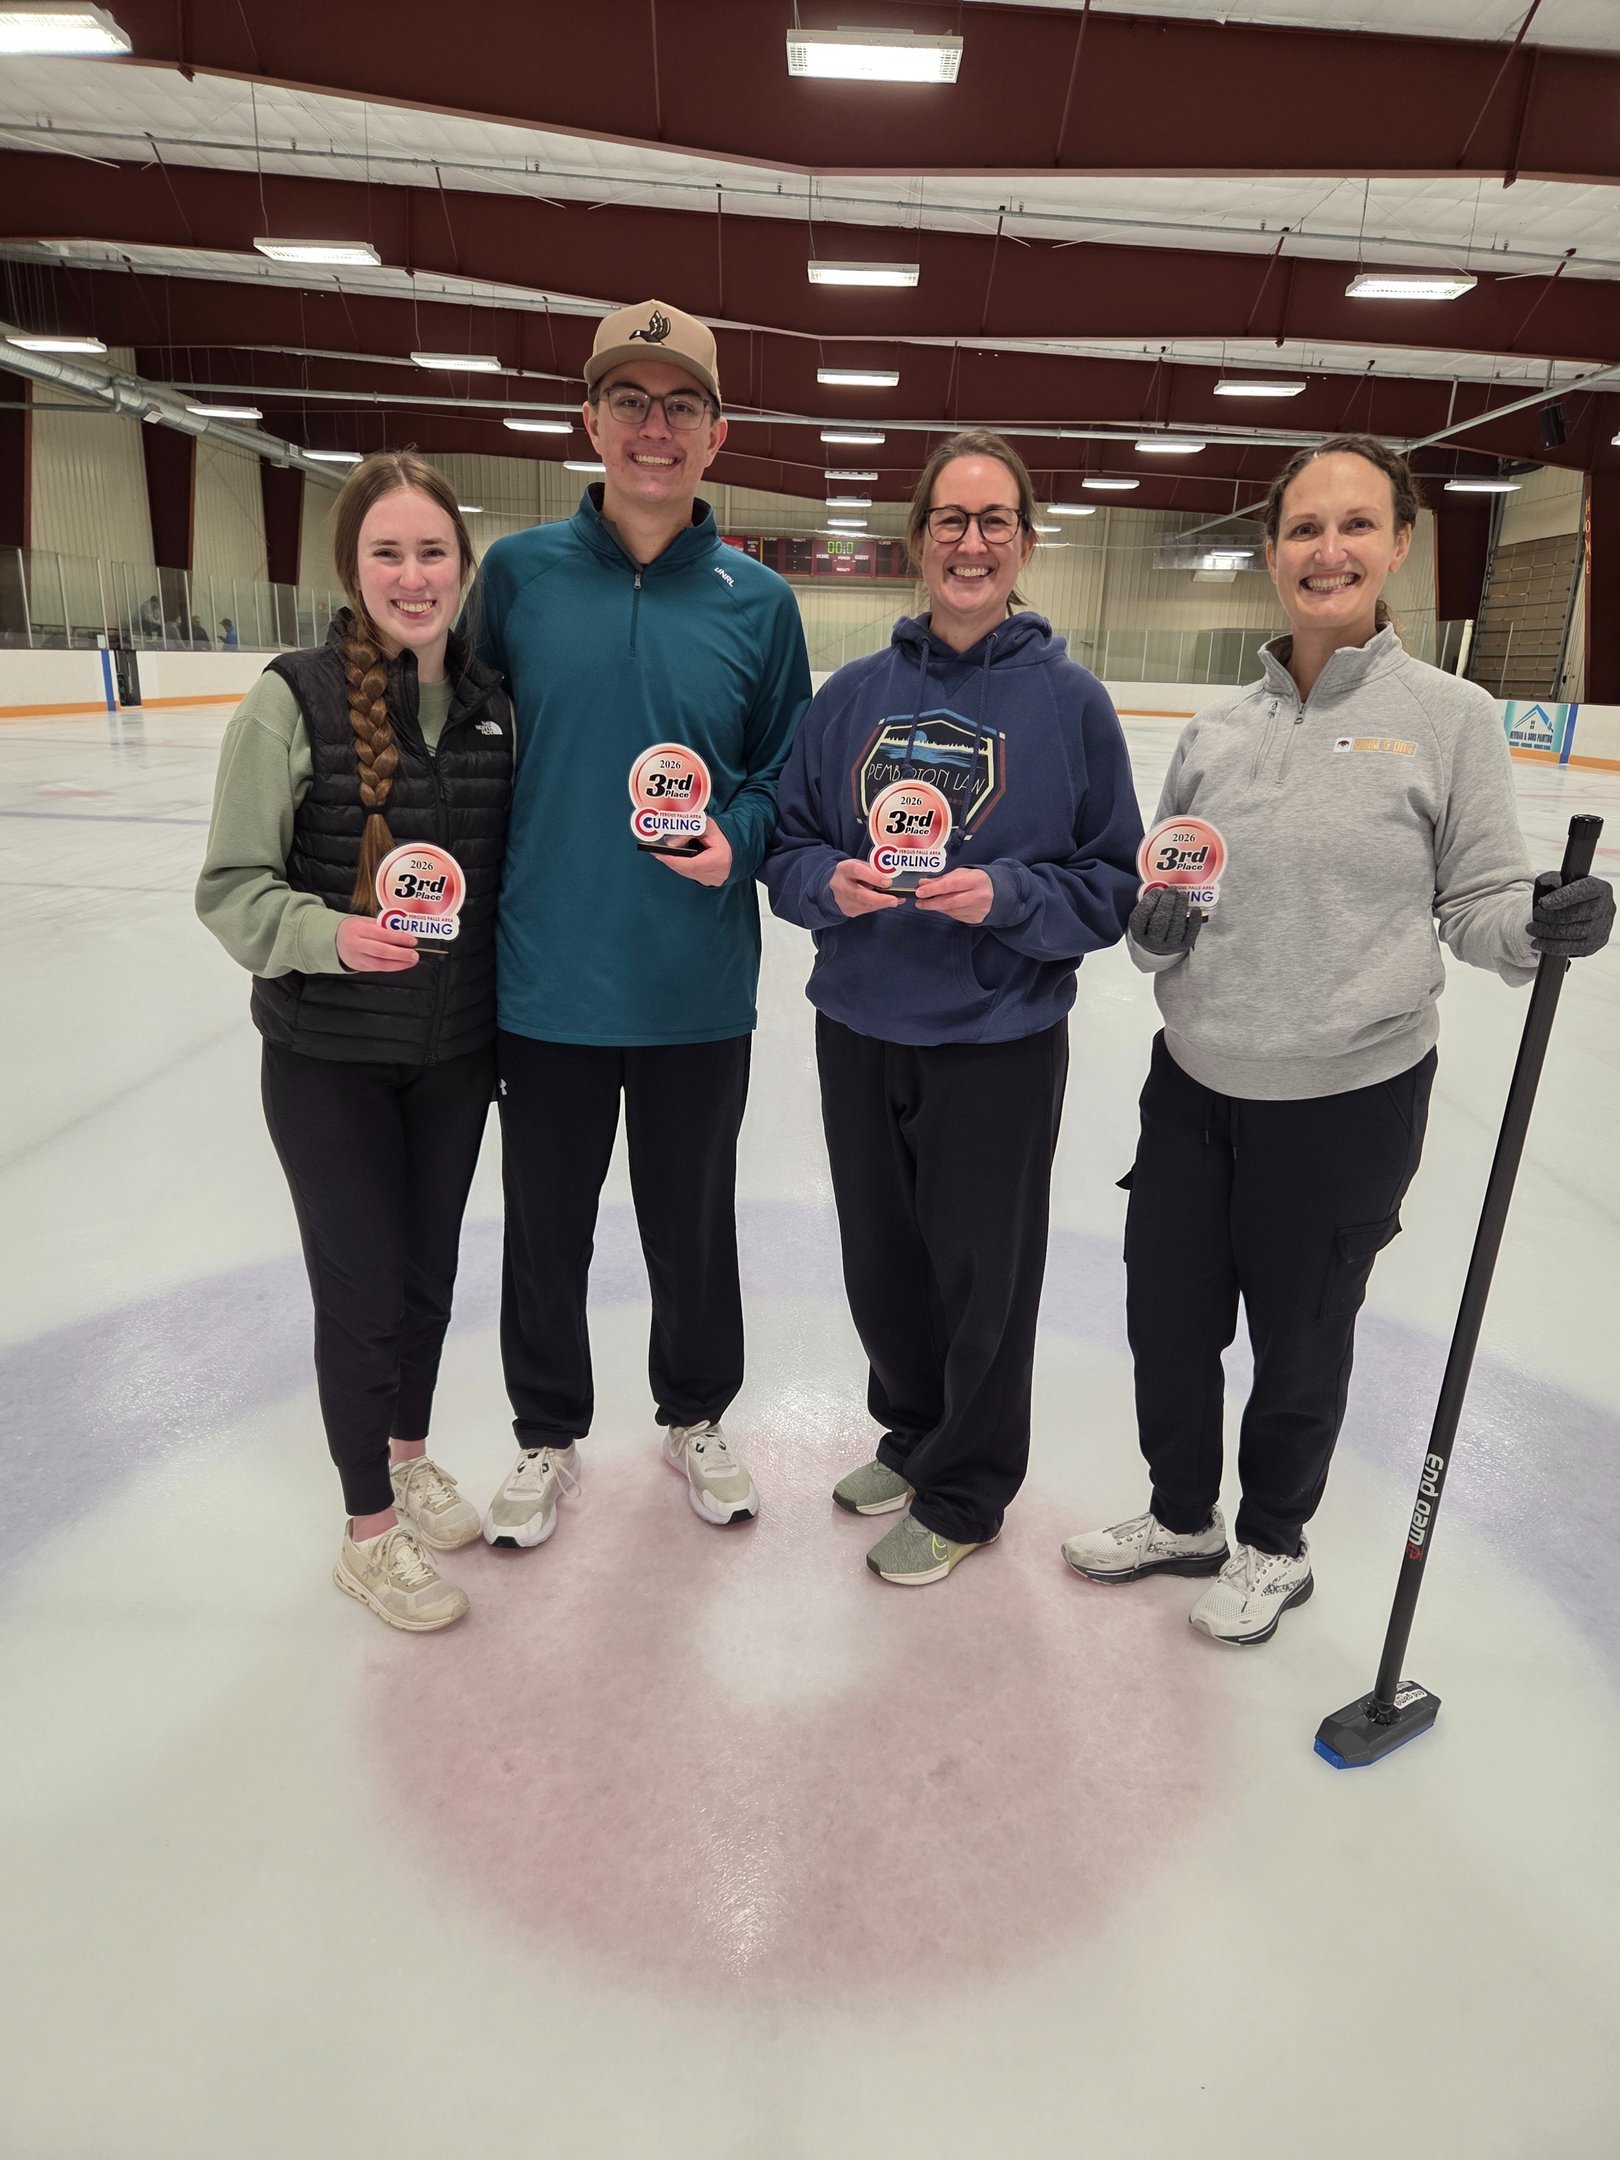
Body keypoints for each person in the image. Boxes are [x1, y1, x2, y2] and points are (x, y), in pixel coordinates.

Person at [1061, 433, 1616, 1644]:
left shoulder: (1449, 717)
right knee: (1167, 1319)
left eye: (1357, 524)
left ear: (1400, 545)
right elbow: (1164, 916)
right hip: (1194, 1082)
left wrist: (1539, 923)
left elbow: (1478, 903)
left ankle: (1273, 1543)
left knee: (1301, 1337)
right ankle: (1182, 1516)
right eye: (1305, 528)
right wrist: (1151, 930)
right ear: (1272, 552)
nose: (1329, 550)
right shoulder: (1215, 732)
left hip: (1348, 1097)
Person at [765, 429, 1142, 1584]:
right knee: (883, 1262)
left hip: (996, 1040)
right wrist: (826, 883)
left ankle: (969, 1490)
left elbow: (1112, 885)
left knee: (985, 1278)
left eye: (994, 521)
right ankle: (915, 1436)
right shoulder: (852, 697)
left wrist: (1010, 896)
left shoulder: (1071, 704)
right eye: (949, 520)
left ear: (1024, 543)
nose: (970, 542)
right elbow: (789, 847)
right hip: (860, 1025)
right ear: (917, 540)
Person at [472, 299, 810, 1549]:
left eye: (680, 407)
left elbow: (783, 777)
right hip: (543, 978)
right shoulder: (516, 577)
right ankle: (545, 1432)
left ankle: (697, 1414)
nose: (652, 428)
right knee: (544, 1229)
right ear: (590, 421)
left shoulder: (758, 601)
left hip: (692, 986)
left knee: (692, 1223)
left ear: (717, 436)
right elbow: (466, 751)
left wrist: (741, 841)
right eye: (629, 401)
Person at [197, 451, 512, 1631]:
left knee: (427, 1281)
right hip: (326, 1057)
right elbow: (231, 889)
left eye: (433, 552)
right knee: (363, 1290)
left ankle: (407, 1454)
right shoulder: (290, 700)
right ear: (352, 568)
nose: (413, 575)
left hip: (453, 1054)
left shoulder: (491, 709)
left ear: (462, 569)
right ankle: (367, 1532)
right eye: (389, 552)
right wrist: (330, 937)